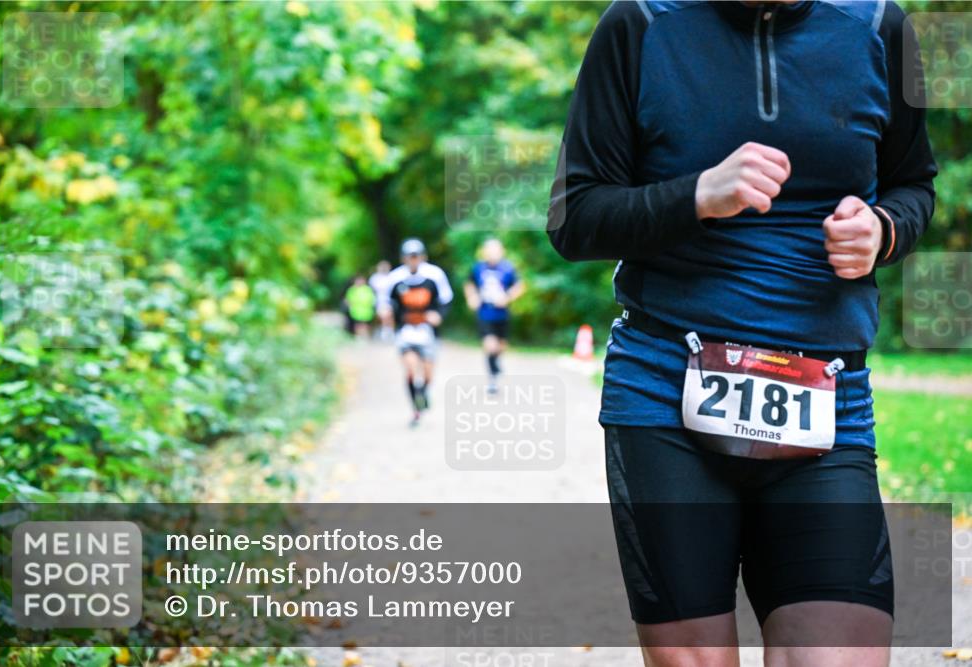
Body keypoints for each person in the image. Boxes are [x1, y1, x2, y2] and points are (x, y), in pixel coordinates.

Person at [548, 1, 935, 666]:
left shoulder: (878, 27)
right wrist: (697, 193)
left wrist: (882, 230)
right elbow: (575, 216)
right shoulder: (640, 23)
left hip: (824, 399)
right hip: (667, 392)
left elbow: (914, 185)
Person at [387, 238, 453, 426]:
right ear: (404, 258)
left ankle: (423, 393)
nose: (413, 260)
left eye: (416, 256)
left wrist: (438, 315)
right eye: (409, 257)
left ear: (423, 257)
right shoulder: (396, 278)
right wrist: (387, 315)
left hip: (428, 332)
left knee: (427, 372)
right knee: (409, 367)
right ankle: (415, 408)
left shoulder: (434, 276)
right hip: (406, 331)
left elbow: (446, 300)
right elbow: (386, 302)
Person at [464, 239, 524, 393]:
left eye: (495, 251)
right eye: (489, 251)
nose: (492, 254)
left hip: (502, 314)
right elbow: (469, 284)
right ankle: (492, 379)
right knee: (490, 345)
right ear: (484, 252)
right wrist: (472, 297)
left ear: (501, 252)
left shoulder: (508, 268)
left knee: (501, 346)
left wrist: (507, 297)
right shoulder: (478, 268)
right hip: (485, 313)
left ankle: (496, 363)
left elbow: (519, 286)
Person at [369, 260, 395, 342]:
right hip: (379, 300)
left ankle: (388, 331)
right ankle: (382, 330)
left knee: (389, 315)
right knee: (380, 317)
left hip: (390, 300)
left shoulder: (392, 276)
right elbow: (372, 290)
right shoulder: (374, 278)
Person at [343, 274, 376, 339]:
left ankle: (365, 336)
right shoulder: (352, 289)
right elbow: (347, 300)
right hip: (356, 310)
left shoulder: (368, 289)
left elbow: (371, 299)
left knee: (365, 324)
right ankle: (358, 336)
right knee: (357, 324)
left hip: (366, 310)